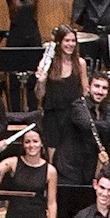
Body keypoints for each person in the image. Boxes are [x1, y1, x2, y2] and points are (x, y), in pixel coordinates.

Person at [35, 26, 89, 170]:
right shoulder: (50, 64)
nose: (70, 44)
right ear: (59, 42)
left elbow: (85, 91)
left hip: (72, 115)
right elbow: (39, 94)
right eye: (67, 40)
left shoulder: (80, 63)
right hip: (52, 115)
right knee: (52, 153)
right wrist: (41, 80)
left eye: (73, 41)